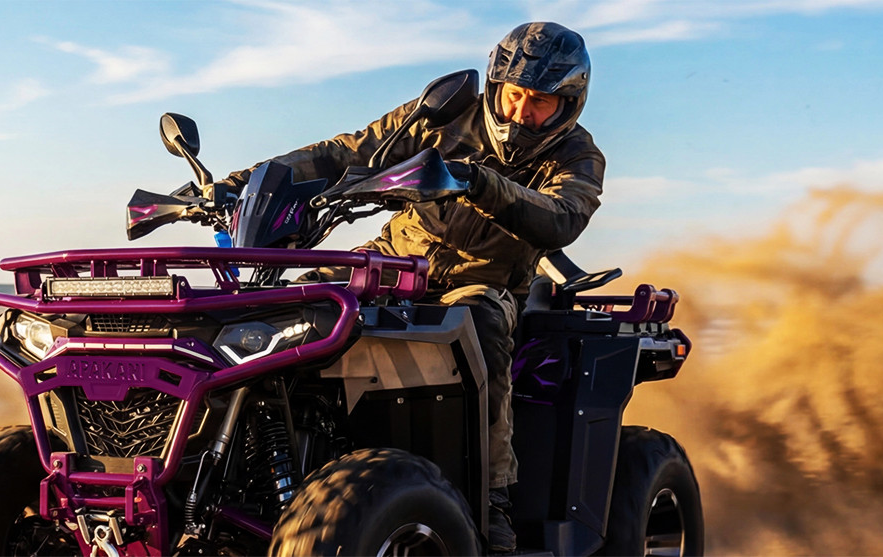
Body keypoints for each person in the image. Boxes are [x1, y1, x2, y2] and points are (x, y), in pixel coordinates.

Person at [209, 22, 602, 553]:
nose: (519, 112)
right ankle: (233, 465)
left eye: (539, 102)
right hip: (393, 261)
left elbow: (563, 217)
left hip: (483, 281)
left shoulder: (577, 155)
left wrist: (477, 181)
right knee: (282, 306)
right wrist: (246, 181)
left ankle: (491, 500)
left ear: (568, 105)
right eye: (514, 95)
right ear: (496, 85)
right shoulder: (445, 114)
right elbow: (351, 150)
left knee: (479, 324)